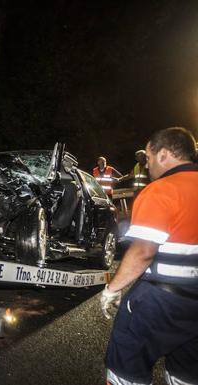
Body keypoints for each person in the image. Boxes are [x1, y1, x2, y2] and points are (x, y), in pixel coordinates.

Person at [101, 127, 198, 385]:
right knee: (186, 374)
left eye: (149, 157)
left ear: (164, 154)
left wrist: (113, 288)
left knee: (126, 369)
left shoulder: (161, 190)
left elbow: (143, 251)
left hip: (160, 301)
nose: (146, 165)